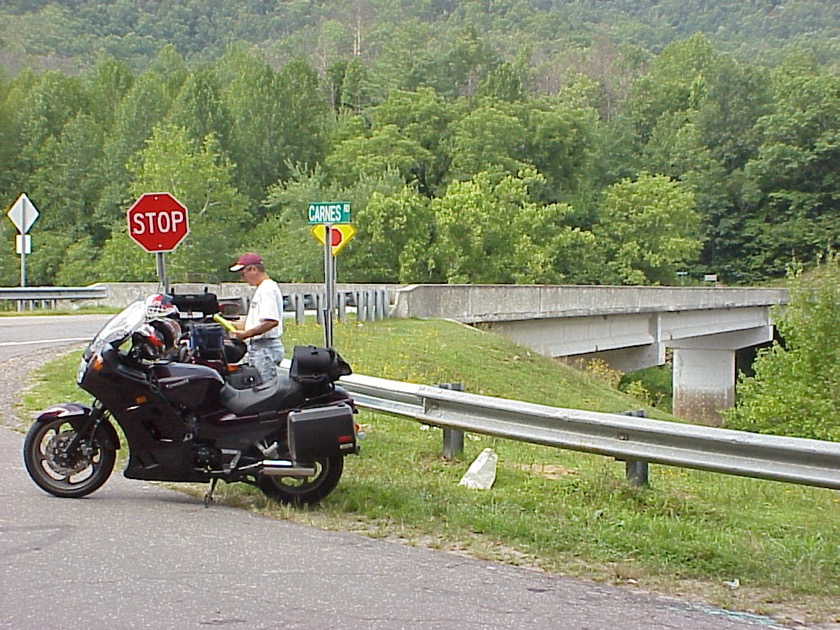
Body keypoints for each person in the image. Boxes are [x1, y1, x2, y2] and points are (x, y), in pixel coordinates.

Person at [228, 252, 285, 383]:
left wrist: (246, 334)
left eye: (243, 273)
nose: (242, 279)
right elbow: (260, 320)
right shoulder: (263, 288)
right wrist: (237, 325)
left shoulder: (267, 290)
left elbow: (271, 321)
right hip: (261, 348)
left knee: (266, 389)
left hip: (265, 349)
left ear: (254, 269)